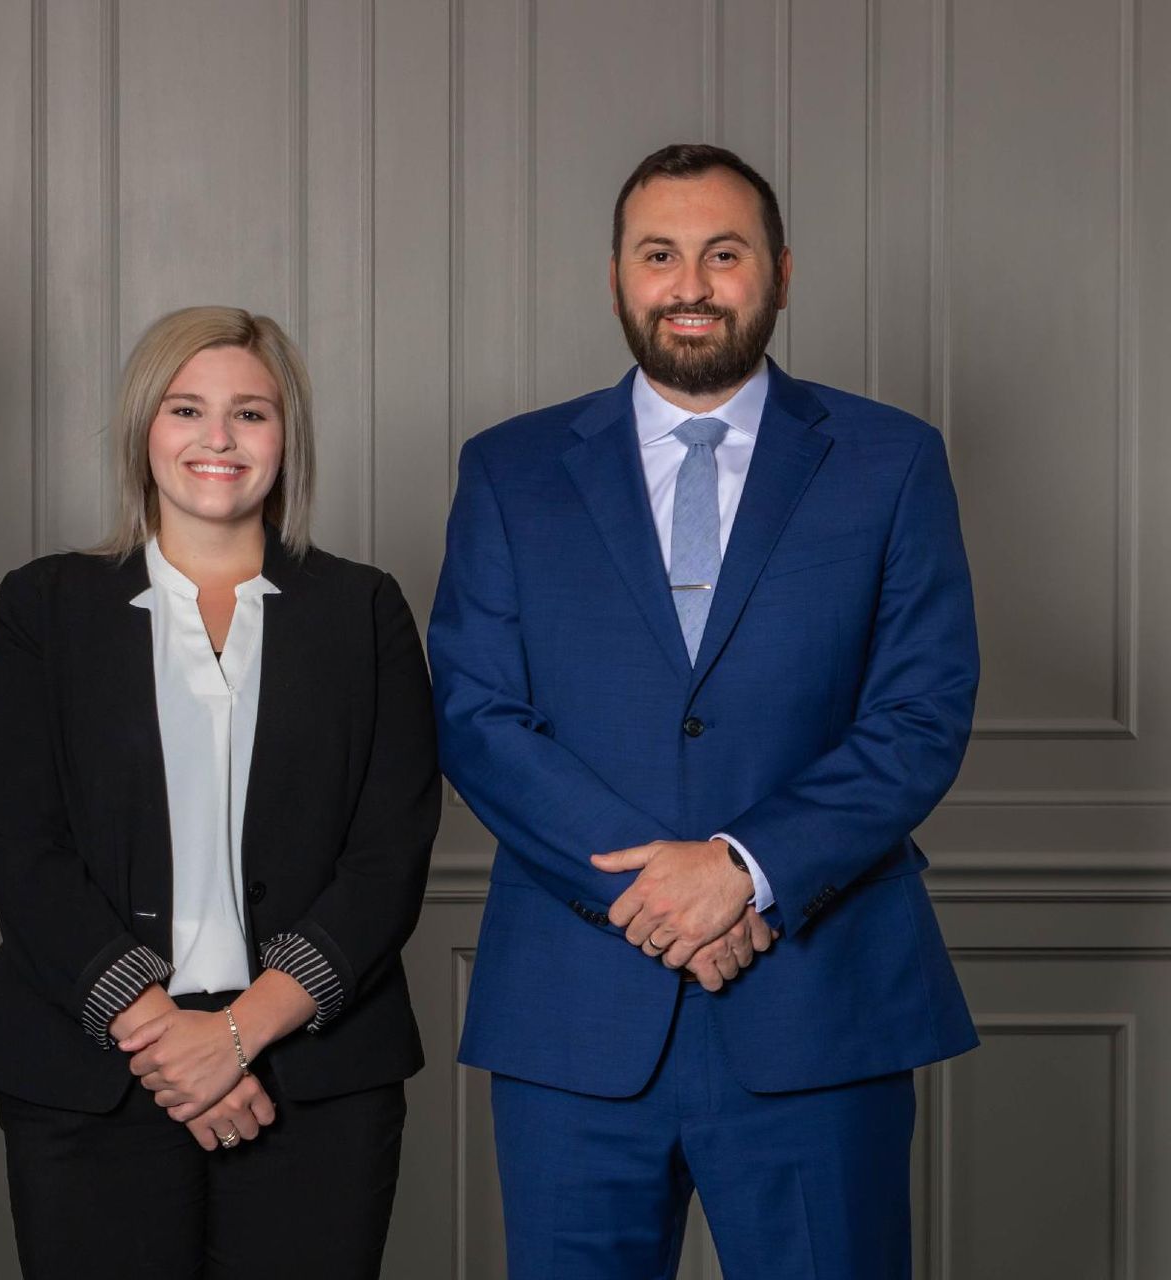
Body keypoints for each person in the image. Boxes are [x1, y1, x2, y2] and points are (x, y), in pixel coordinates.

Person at [430, 143, 979, 1278]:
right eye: (660, 255)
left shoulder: (891, 462)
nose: (691, 283)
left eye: (723, 254)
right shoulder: (511, 469)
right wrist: (660, 893)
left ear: (778, 271)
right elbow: (479, 713)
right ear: (617, 277)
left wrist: (743, 865)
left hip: (818, 1001)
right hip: (576, 1020)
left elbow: (920, 712)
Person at [0, 306, 439, 1279]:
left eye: (251, 413)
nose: (217, 438)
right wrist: (173, 1046)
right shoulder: (45, 606)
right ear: (146, 429)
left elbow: (390, 852)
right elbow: (23, 844)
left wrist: (234, 1034)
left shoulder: (365, 610)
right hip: (91, 1074)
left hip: (314, 1081)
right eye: (187, 408)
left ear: (286, 438)